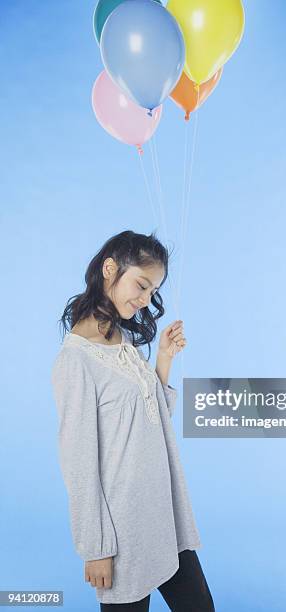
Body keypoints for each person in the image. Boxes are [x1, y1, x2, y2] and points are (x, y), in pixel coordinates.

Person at [51, 230, 215, 611]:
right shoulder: (76, 361)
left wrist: (164, 361)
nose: (144, 300)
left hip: (163, 512)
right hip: (123, 529)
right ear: (110, 269)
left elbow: (148, 421)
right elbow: (78, 465)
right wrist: (96, 549)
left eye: (151, 291)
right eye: (141, 285)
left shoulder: (121, 338)